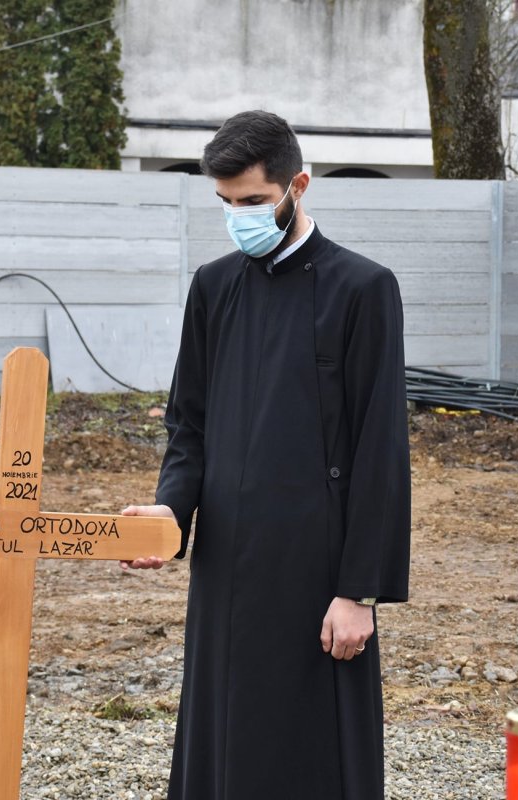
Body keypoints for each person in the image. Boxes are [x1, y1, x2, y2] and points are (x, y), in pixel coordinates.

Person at [121, 110, 411, 800]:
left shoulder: (362, 289)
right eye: (225, 204)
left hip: (317, 572)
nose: (239, 217)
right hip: (224, 570)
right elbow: (188, 425)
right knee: (225, 737)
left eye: (253, 201)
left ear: (297, 186)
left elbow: (381, 451)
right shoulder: (213, 287)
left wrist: (358, 591)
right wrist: (168, 515)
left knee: (311, 751)